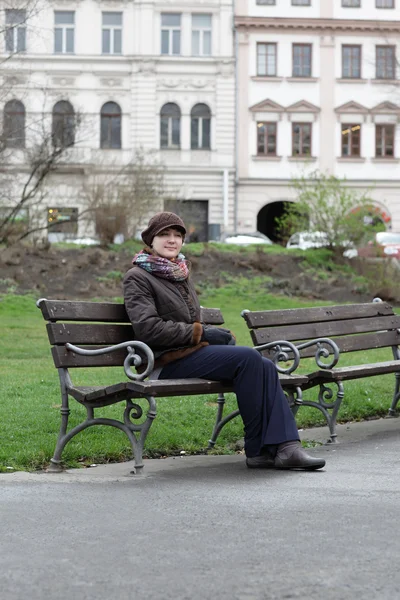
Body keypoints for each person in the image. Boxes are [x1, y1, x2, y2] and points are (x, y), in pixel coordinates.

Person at [123, 212, 325, 471]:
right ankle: (279, 448)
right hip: (162, 361)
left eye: (177, 235)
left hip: (189, 354)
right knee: (249, 359)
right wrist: (203, 333)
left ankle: (271, 450)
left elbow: (185, 319)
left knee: (262, 365)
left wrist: (211, 333)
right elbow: (148, 328)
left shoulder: (179, 273)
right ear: (151, 239)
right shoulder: (138, 277)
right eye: (164, 234)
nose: (172, 240)